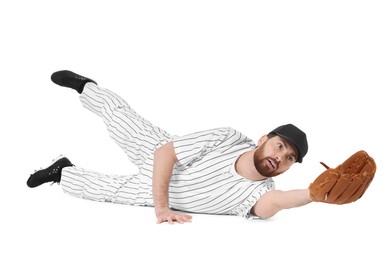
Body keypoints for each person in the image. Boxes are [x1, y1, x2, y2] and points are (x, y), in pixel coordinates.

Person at [27, 70, 312, 224]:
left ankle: (62, 172)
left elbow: (275, 204)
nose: (280, 157)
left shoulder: (261, 193)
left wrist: (316, 194)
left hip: (158, 196)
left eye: (289, 158)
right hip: (160, 155)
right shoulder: (230, 138)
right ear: (263, 139)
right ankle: (87, 87)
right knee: (120, 120)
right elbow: (166, 153)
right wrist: (162, 207)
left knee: (104, 191)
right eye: (279, 146)